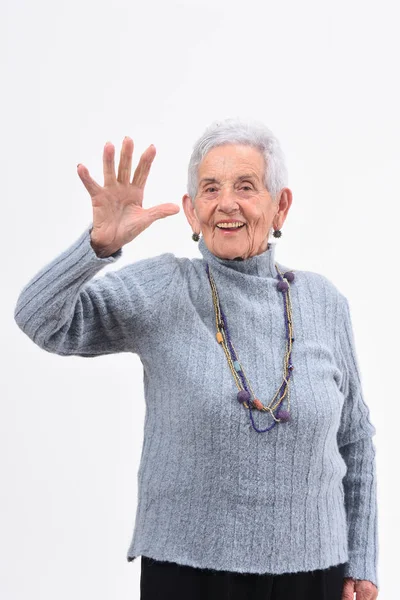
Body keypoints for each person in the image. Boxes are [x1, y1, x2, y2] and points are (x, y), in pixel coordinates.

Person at [14, 118, 379, 600]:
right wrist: (98, 246)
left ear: (280, 206)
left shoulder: (323, 302)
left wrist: (363, 559)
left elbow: (354, 439)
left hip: (315, 573)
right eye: (210, 188)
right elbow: (41, 320)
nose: (226, 203)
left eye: (245, 186)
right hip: (190, 572)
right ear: (191, 210)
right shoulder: (165, 289)